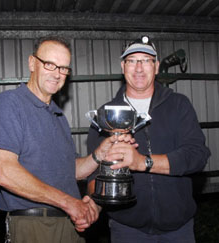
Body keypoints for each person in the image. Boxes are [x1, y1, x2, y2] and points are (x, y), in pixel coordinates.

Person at [0, 36, 135, 243]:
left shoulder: (58, 116)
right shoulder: (10, 103)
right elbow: (5, 173)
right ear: (32, 63)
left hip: (70, 225)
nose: (57, 74)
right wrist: (69, 203)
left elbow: (71, 171)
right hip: (35, 226)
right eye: (50, 65)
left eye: (64, 68)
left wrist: (99, 154)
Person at [87, 36, 211, 243]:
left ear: (156, 67)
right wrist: (93, 202)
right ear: (122, 66)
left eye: (146, 60)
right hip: (127, 228)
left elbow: (197, 155)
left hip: (178, 229)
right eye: (132, 60)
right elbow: (94, 171)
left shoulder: (179, 105)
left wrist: (143, 162)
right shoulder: (107, 113)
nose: (138, 68)